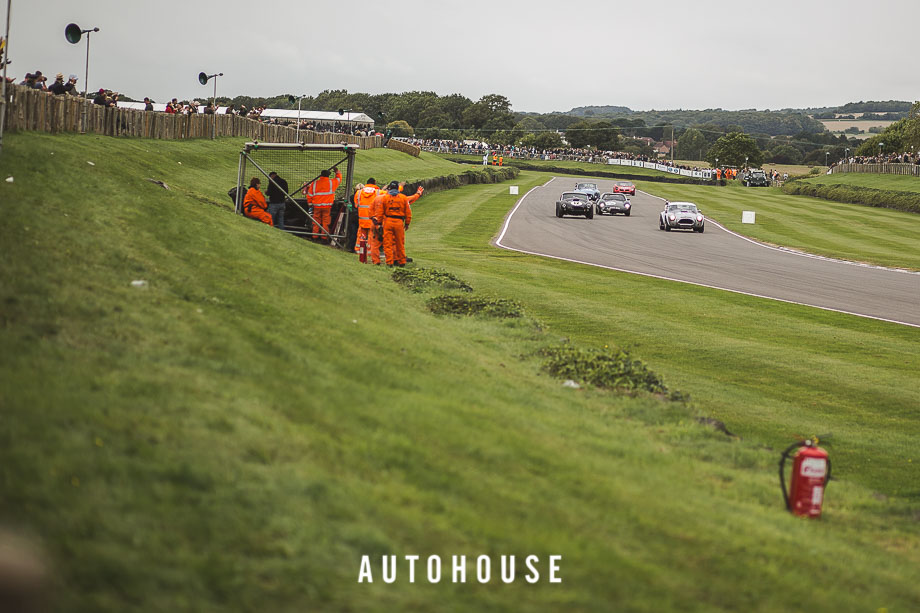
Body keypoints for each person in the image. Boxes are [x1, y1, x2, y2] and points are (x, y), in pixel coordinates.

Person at [373, 180, 412, 268]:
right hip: (399, 223)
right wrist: (407, 223)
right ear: (398, 188)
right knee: (400, 243)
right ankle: (401, 261)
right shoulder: (403, 198)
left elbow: (380, 212)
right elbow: (408, 212)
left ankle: (389, 262)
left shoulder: (385, 198)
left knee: (388, 243)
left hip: (388, 221)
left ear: (389, 188)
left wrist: (378, 223)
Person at [303, 166, 341, 242]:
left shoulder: (315, 183)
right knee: (326, 222)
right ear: (328, 175)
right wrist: (336, 171)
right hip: (327, 206)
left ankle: (315, 236)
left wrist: (310, 204)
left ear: (321, 175)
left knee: (316, 221)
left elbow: (309, 194)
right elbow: (339, 178)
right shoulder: (331, 183)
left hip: (316, 206)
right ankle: (324, 237)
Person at [355, 178, 380, 258]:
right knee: (371, 236)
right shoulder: (378, 192)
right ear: (375, 183)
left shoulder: (359, 193)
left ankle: (359, 250)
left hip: (362, 219)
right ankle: (369, 252)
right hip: (372, 219)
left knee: (361, 235)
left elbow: (356, 205)